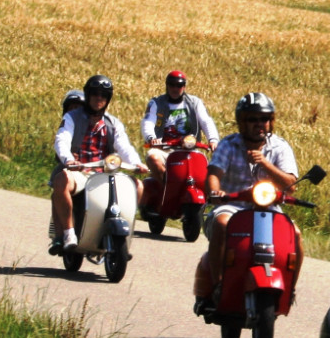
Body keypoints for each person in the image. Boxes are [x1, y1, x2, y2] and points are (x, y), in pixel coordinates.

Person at [201, 92, 299, 298]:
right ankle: (218, 284)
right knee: (221, 223)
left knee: (295, 234)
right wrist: (215, 192)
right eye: (252, 119)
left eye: (264, 119)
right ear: (241, 122)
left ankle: (290, 289)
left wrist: (264, 163)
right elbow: (214, 174)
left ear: (271, 122)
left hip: (267, 207)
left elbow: (290, 186)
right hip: (232, 205)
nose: (259, 124)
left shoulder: (280, 147)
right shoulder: (228, 144)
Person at [50, 75, 148, 252]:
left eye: (103, 95)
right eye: (95, 93)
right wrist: (69, 160)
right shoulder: (73, 117)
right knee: (62, 180)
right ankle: (68, 233)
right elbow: (62, 139)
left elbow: (124, 146)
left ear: (108, 99)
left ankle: (123, 234)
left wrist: (136, 163)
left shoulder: (113, 123)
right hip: (81, 170)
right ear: (88, 95)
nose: (98, 98)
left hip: (105, 172)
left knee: (138, 186)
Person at [141, 70, 220, 186]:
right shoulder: (157, 103)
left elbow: (206, 121)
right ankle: (168, 187)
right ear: (167, 86)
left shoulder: (194, 103)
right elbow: (148, 121)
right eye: (172, 85)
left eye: (179, 85)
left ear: (184, 86)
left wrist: (213, 140)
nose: (175, 88)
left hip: (189, 149)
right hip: (164, 149)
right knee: (153, 157)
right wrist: (151, 137)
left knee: (207, 174)